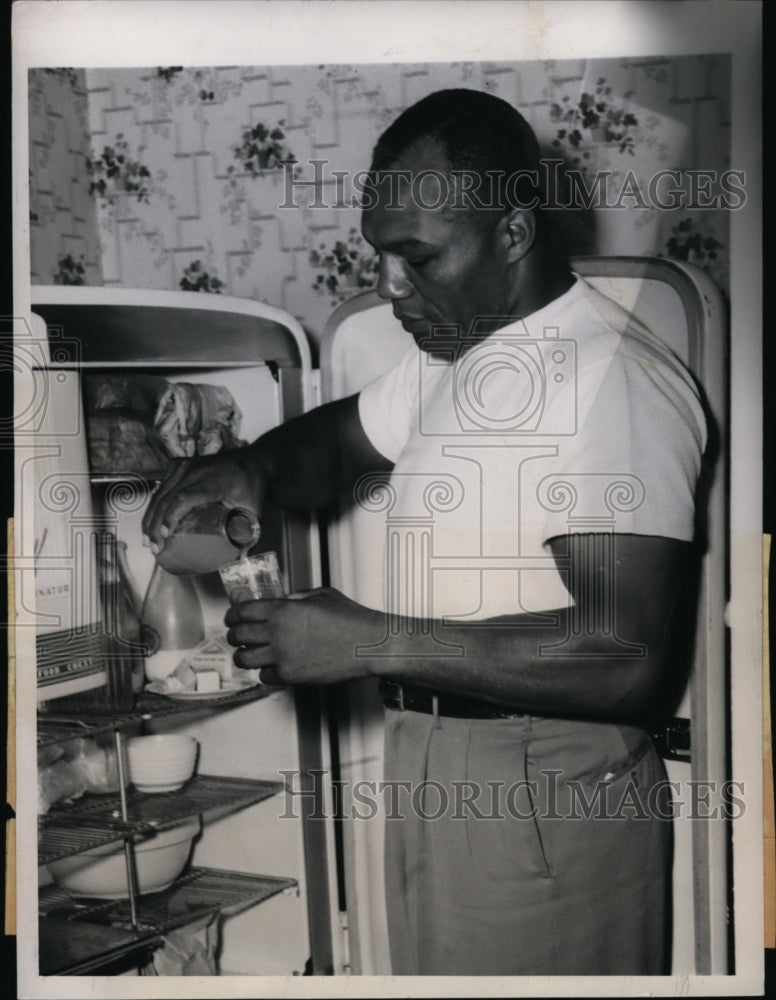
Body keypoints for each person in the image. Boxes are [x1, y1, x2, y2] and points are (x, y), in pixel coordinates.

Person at [143, 89, 707, 975]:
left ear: (515, 233)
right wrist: (248, 468)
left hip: (541, 786)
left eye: (417, 257)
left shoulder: (610, 382)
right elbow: (332, 444)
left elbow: (624, 656)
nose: (386, 286)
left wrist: (368, 641)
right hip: (442, 762)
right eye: (380, 255)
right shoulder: (465, 354)